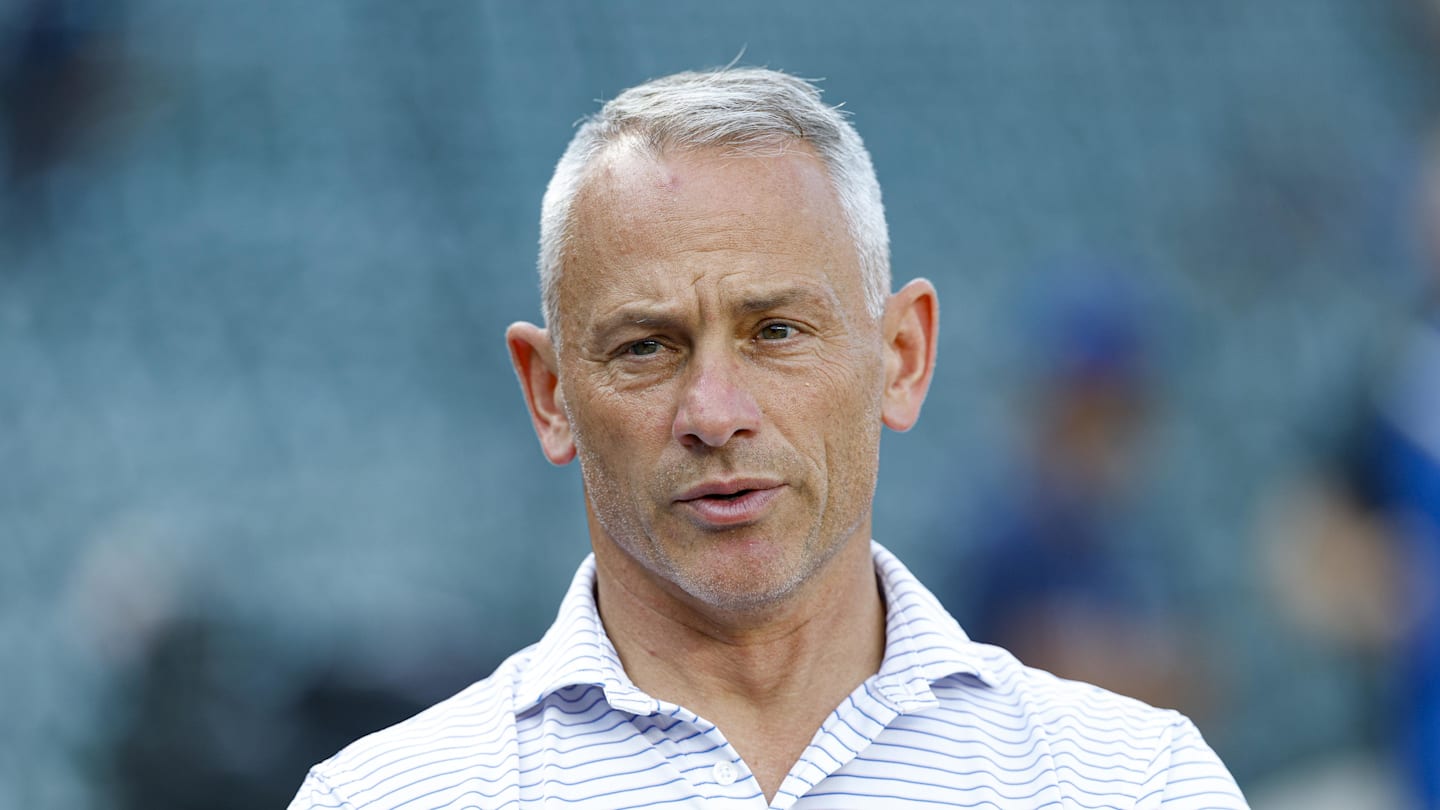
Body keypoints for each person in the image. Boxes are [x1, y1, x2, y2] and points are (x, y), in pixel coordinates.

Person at [289, 67, 1247, 809]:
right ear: (550, 395)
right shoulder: (388, 798)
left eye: (776, 332)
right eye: (647, 345)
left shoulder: (1134, 785)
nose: (715, 411)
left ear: (902, 358)